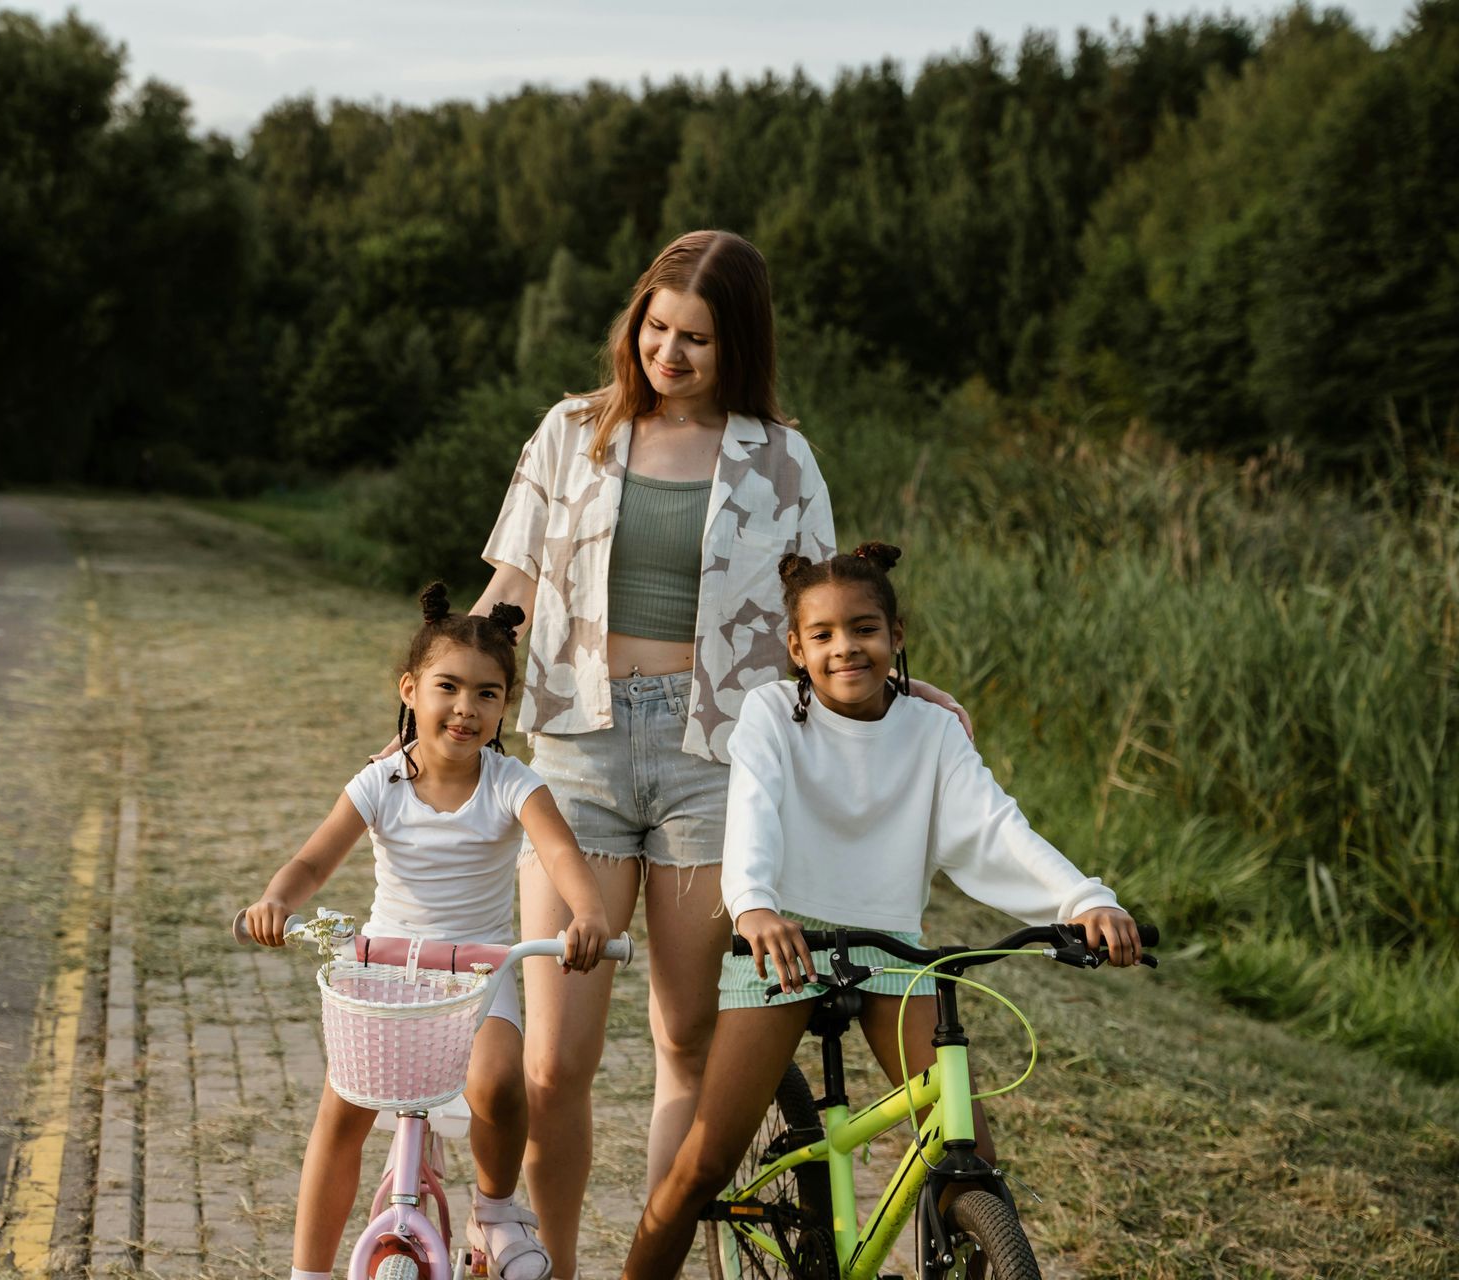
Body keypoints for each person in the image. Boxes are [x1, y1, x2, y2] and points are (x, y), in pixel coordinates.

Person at [470, 229, 969, 1278]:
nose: (669, 353)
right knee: (558, 1061)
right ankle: (552, 1264)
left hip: (717, 761)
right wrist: (452, 683)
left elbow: (825, 614)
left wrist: (901, 686)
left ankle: (656, 1265)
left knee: (688, 1039)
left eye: (696, 337)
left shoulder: (782, 458)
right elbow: (509, 586)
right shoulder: (570, 432)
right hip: (578, 753)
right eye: (655, 328)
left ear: (736, 341)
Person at [617, 543, 1143, 1278]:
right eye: (823, 635)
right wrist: (757, 908)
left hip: (891, 950)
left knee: (969, 1159)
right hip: (784, 944)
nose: (845, 648)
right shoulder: (772, 713)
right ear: (796, 648)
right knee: (703, 1163)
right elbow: (755, 813)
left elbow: (995, 828)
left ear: (897, 634)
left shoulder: (931, 733)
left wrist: (1085, 899)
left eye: (864, 629)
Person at [241, 583, 612, 1280]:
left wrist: (588, 913)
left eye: (487, 694)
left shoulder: (512, 784)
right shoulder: (379, 783)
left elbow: (562, 856)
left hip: (477, 974)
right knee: (341, 1112)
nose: (466, 709)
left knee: (501, 1086)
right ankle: (308, 1271)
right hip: (382, 969)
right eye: (448, 687)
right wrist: (275, 900)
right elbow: (314, 860)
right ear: (411, 690)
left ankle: (496, 1211)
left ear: (506, 706)